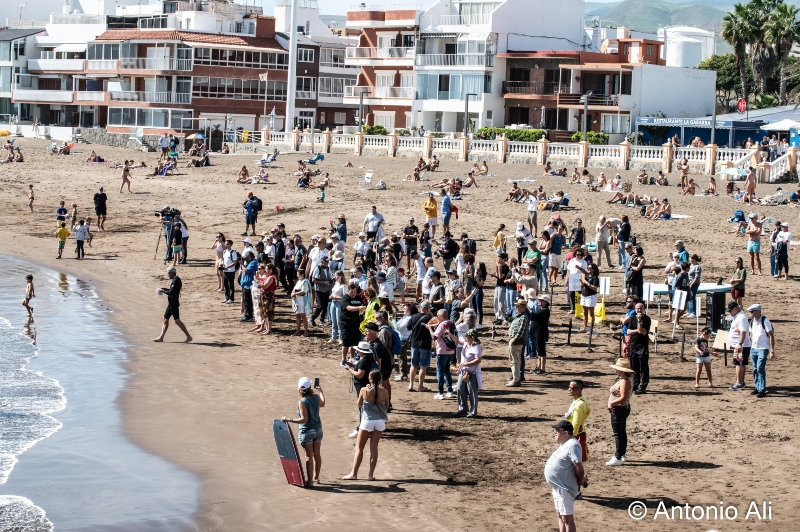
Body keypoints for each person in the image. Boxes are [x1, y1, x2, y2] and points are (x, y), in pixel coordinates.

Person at [341, 370, 389, 481]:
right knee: (374, 448)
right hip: (380, 421)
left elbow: (358, 404)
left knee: (359, 448)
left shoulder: (364, 390)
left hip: (367, 420)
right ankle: (370, 475)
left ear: (370, 379)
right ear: (380, 379)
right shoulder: (385, 392)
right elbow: (386, 407)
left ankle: (354, 474)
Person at [280, 377, 325, 487]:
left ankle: (310, 481)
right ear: (310, 387)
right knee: (317, 455)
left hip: (307, 431)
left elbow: (304, 419)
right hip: (318, 430)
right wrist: (321, 391)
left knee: (309, 456)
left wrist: (289, 419)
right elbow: (322, 404)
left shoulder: (302, 402)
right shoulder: (315, 397)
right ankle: (316, 477)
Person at [545, 420, 586, 532]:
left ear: (566, 433)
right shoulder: (565, 444)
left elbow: (579, 467)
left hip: (565, 488)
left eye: (557, 430)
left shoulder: (573, 445)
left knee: (566, 518)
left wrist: (581, 480)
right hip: (558, 487)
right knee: (560, 515)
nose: (554, 432)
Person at [153, 266, 192, 343]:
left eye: (169, 273)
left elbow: (171, 292)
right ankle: (161, 337)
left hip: (174, 304)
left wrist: (163, 291)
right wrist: (163, 289)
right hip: (170, 303)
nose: (168, 275)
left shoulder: (176, 280)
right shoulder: (174, 279)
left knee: (177, 321)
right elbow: (171, 290)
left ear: (172, 273)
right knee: (165, 320)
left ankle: (189, 337)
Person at [606, 358, 634, 466]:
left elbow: (623, 397)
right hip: (623, 409)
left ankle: (618, 456)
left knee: (618, 433)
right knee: (622, 432)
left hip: (619, 409)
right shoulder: (626, 379)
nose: (615, 371)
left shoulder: (624, 381)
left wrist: (612, 404)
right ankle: (622, 454)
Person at [747, 303, 774, 398]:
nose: (751, 313)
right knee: (754, 369)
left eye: (753, 311)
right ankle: (757, 387)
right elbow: (750, 333)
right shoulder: (752, 321)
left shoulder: (765, 321)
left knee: (760, 368)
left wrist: (772, 350)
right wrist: (752, 342)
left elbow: (771, 336)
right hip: (754, 348)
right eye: (750, 312)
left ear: (758, 311)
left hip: (763, 348)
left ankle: (762, 389)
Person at [407, 301, 434, 392]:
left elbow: (408, 328)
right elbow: (434, 329)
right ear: (427, 309)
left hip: (414, 343)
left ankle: (410, 384)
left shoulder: (414, 317)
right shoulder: (429, 318)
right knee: (423, 366)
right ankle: (420, 386)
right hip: (425, 344)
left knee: (413, 365)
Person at [429, 309, 456, 399]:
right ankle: (449, 391)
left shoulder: (442, 324)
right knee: (447, 371)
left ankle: (440, 392)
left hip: (442, 351)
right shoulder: (451, 323)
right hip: (451, 351)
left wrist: (429, 328)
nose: (437, 317)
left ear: (442, 317)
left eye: (438, 316)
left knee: (440, 372)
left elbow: (434, 336)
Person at [728, 301, 751, 391]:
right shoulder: (738, 317)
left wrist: (739, 344)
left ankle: (739, 383)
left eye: (730, 311)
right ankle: (741, 381)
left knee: (738, 363)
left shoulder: (741, 317)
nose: (730, 313)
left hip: (741, 345)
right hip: (740, 345)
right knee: (742, 363)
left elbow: (743, 332)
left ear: (735, 309)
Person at [628, 302, 651, 394]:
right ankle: (635, 384)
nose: (639, 310)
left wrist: (638, 322)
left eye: (640, 308)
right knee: (635, 367)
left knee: (644, 367)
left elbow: (642, 331)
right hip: (634, 345)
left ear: (644, 309)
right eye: (637, 308)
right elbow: (629, 331)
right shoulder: (632, 318)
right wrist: (637, 330)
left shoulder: (647, 319)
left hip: (643, 346)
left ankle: (643, 385)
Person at [506, 299, 529, 387]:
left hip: (517, 342)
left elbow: (520, 331)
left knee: (514, 361)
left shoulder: (523, 317)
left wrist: (513, 339)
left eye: (518, 306)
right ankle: (516, 378)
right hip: (515, 341)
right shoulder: (519, 316)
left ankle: (516, 380)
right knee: (515, 360)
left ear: (523, 308)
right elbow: (510, 321)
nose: (516, 308)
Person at [530, 294, 551, 375]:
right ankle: (538, 367)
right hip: (537, 332)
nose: (539, 301)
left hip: (540, 333)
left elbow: (534, 316)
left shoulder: (545, 310)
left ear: (545, 302)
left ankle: (542, 369)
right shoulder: (541, 309)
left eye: (541, 300)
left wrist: (529, 309)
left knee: (541, 351)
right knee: (539, 351)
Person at [291, 269, 312, 336]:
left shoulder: (305, 282)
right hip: (297, 300)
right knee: (297, 316)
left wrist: (295, 294)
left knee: (303, 316)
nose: (297, 276)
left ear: (302, 274)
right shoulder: (299, 281)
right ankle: (298, 331)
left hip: (302, 300)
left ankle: (306, 331)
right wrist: (292, 294)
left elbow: (304, 291)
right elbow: (294, 289)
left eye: (298, 274)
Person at [579, 263, 599, 333]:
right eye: (588, 268)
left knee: (591, 313)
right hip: (584, 294)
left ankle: (591, 329)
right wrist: (582, 282)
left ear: (593, 270)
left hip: (591, 295)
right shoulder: (585, 276)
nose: (588, 269)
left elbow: (595, 288)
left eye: (589, 268)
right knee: (584, 312)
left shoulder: (595, 277)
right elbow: (581, 285)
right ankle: (585, 327)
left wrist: (587, 283)